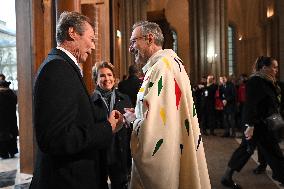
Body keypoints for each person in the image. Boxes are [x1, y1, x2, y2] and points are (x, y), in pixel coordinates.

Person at [30, 11, 123, 189]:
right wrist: (106, 128)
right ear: (72, 33)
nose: (93, 46)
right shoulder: (57, 68)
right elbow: (56, 138)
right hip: (65, 181)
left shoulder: (63, 66)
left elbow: (78, 116)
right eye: (91, 39)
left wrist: (106, 119)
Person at [125, 21, 211, 189]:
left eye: (134, 41)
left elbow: (157, 131)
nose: (130, 48)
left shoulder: (162, 68)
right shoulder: (169, 63)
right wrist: (138, 113)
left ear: (149, 39)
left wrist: (132, 120)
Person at [221, 56, 284, 189]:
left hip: (264, 125)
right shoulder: (256, 81)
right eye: (274, 67)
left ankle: (227, 176)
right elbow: (250, 105)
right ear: (264, 68)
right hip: (256, 124)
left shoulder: (268, 81)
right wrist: (250, 125)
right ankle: (227, 177)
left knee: (270, 151)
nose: (276, 70)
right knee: (248, 149)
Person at [91, 61, 133, 189]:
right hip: (99, 154)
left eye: (109, 75)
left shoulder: (125, 99)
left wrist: (132, 120)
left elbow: (131, 128)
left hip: (119, 152)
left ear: (114, 79)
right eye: (102, 76)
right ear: (96, 79)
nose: (107, 79)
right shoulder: (90, 101)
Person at [0, 78, 18, 159]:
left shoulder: (1, 94)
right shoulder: (12, 94)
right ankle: (12, 151)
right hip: (12, 118)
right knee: (12, 135)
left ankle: (4, 153)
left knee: (2, 136)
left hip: (2, 120)